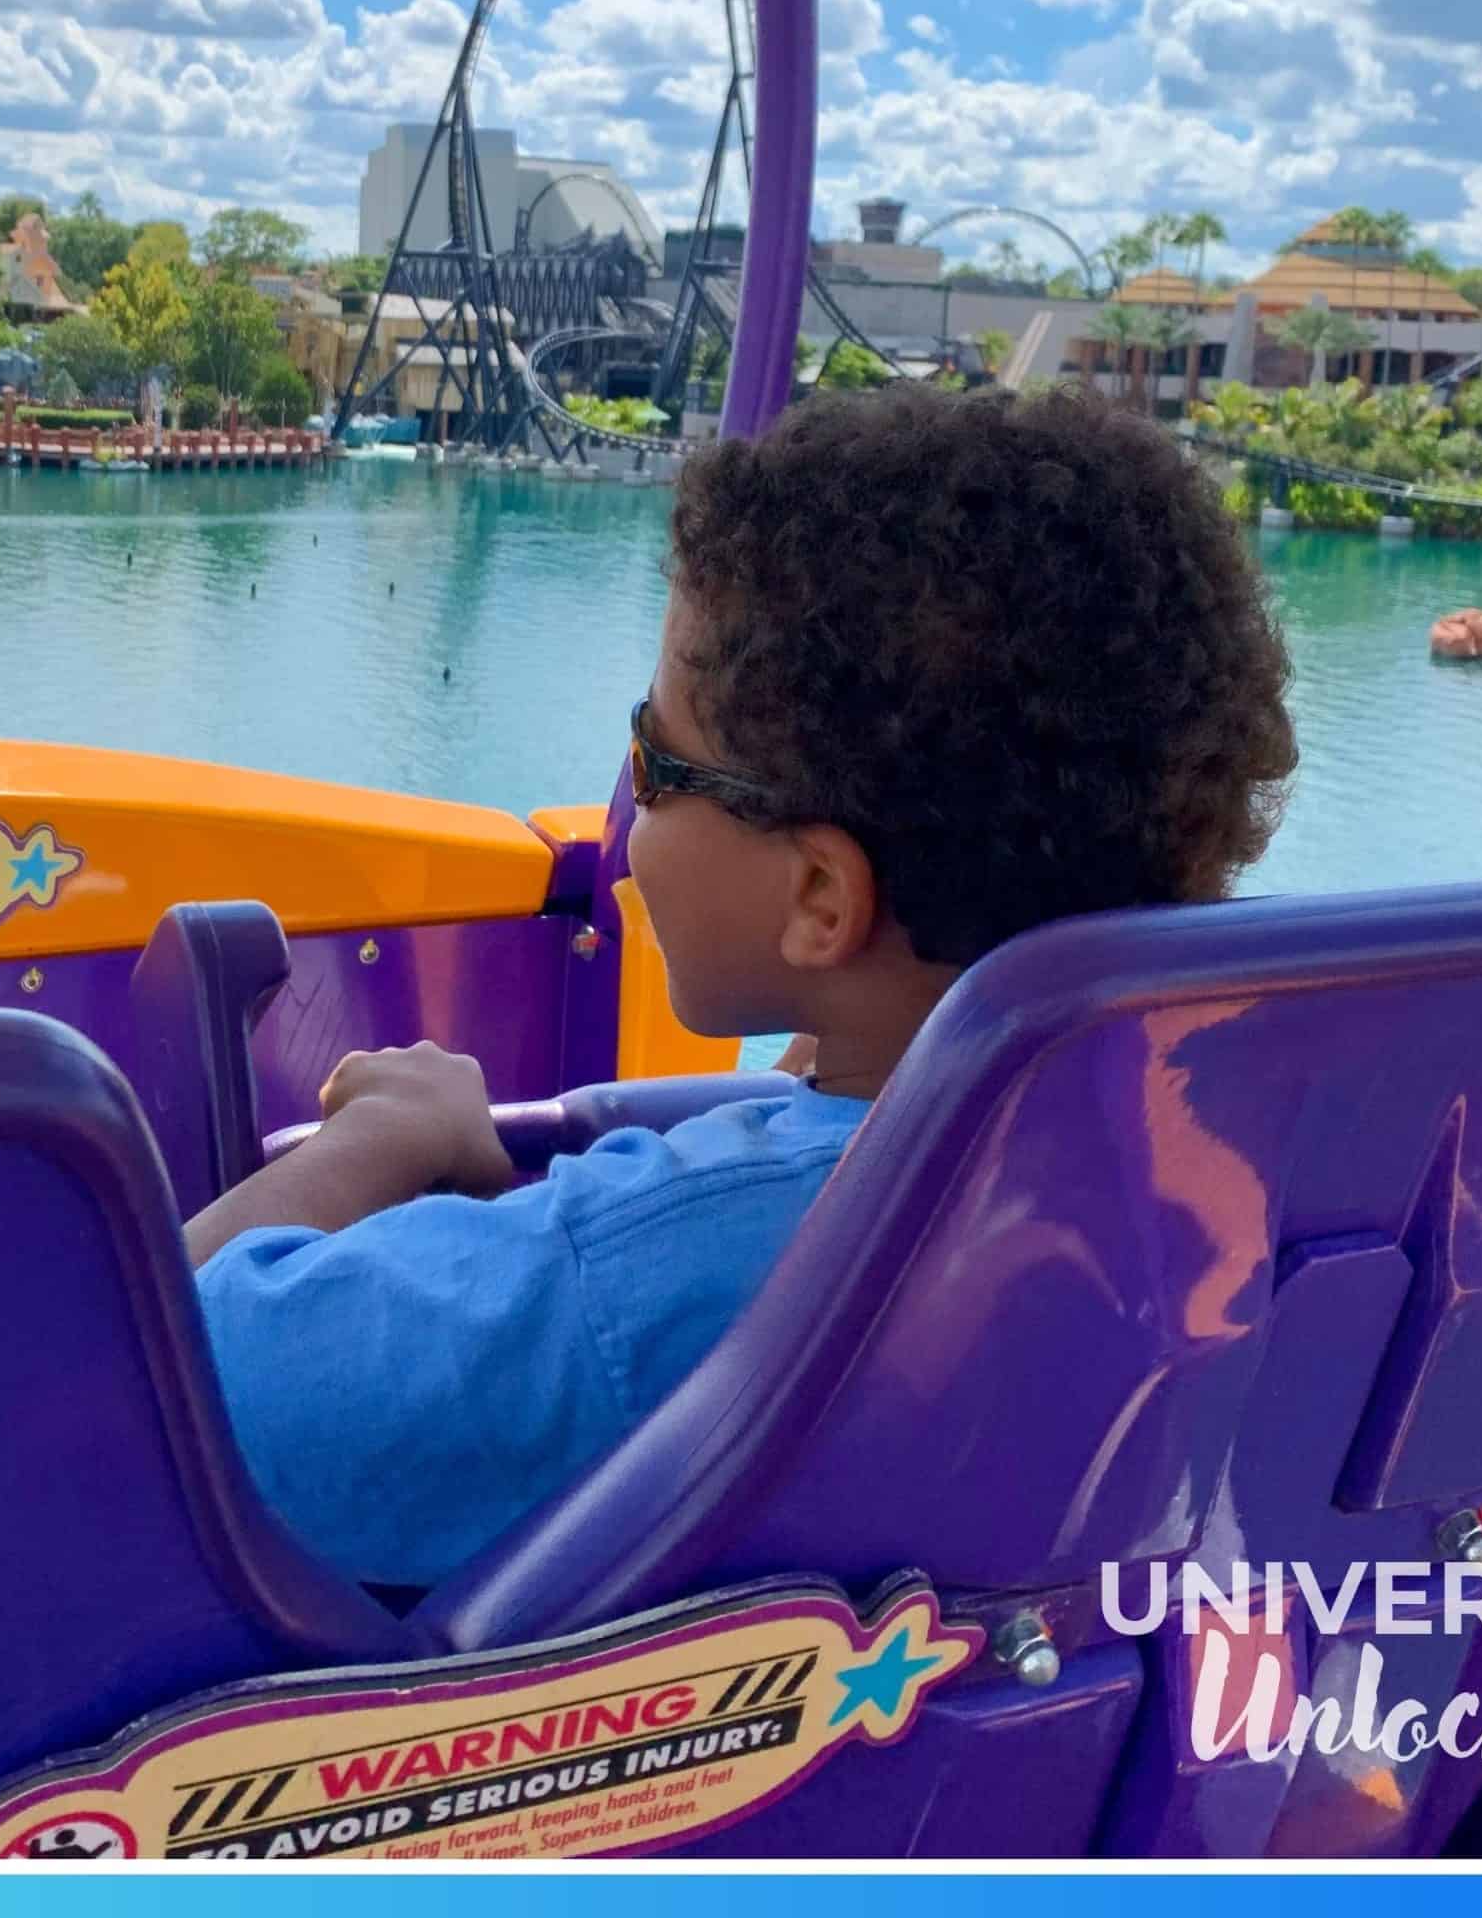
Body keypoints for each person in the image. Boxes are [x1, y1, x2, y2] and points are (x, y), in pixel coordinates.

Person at [188, 384, 1296, 1589]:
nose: (628, 808)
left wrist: (378, 1143)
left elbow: (117, 1384)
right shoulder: (1242, 1175)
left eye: (654, 760)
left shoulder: (651, 1264)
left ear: (821, 898)